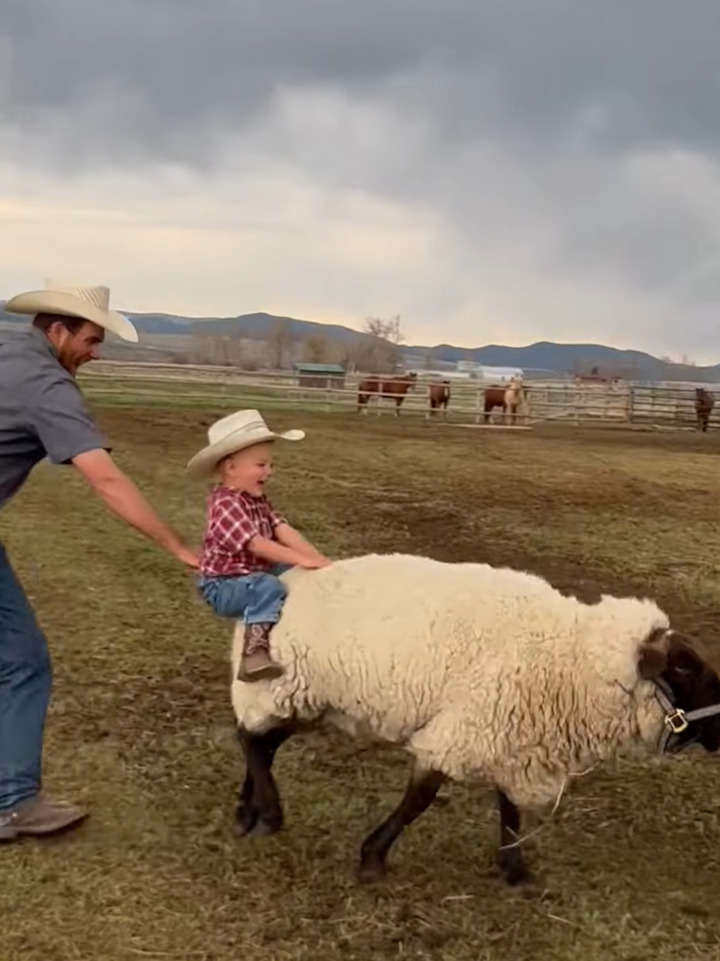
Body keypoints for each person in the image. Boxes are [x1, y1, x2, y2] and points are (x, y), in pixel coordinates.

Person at [0, 279, 199, 843]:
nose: (95, 351)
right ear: (57, 331)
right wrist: (176, 545)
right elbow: (105, 478)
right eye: (90, 338)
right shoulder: (46, 383)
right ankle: (13, 803)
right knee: (21, 662)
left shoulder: (6, 350)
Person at [187, 409, 331, 683]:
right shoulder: (225, 504)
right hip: (224, 585)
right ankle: (254, 655)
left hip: (251, 571)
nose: (269, 472)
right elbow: (256, 544)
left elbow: (282, 529)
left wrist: (317, 560)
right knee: (268, 586)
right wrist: (302, 559)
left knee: (295, 570)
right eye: (261, 465)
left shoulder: (257, 500)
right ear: (231, 468)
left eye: (269, 465)